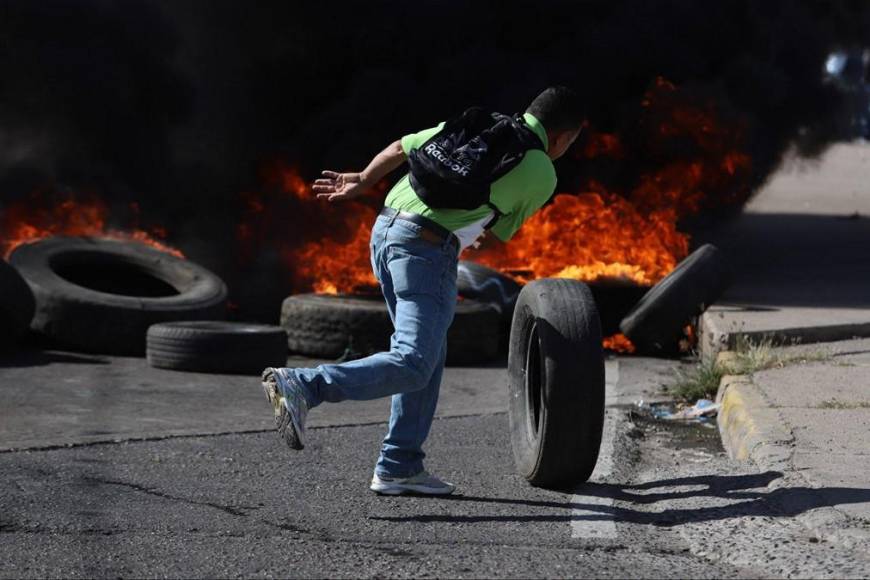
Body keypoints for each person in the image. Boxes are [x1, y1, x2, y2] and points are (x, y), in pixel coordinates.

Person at [262, 86, 584, 496]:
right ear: (563, 138)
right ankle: (305, 386)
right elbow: (498, 230)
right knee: (414, 361)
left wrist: (363, 179)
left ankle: (399, 464)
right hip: (424, 250)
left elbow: (402, 146)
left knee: (426, 359)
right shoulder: (541, 170)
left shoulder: (483, 125)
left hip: (386, 230)